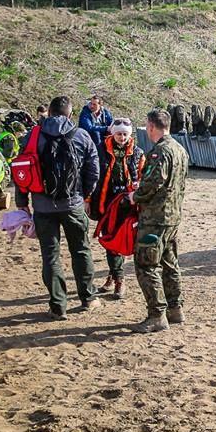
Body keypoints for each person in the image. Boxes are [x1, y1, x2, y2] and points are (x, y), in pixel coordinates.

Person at [15, 96, 101, 320]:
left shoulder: (32, 136)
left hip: (43, 206)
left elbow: (21, 171)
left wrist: (22, 204)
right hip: (73, 204)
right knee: (81, 250)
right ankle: (88, 298)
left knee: (50, 256)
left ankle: (58, 306)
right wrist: (86, 195)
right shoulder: (82, 135)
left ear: (49, 113)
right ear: (70, 114)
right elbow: (94, 169)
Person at [130, 109, 189, 333]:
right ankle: (175, 308)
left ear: (151, 127)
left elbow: (153, 182)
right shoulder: (180, 149)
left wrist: (134, 196)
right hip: (172, 217)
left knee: (147, 265)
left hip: (155, 218)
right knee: (169, 263)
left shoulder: (160, 152)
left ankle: (157, 315)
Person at [89, 118, 145, 300]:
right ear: (113, 134)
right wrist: (88, 200)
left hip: (128, 204)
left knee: (122, 240)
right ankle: (116, 278)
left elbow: (142, 178)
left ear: (130, 135)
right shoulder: (101, 150)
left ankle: (116, 278)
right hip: (106, 202)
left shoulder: (137, 153)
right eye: (119, 134)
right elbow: (91, 176)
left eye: (125, 134)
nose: (122, 137)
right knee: (110, 240)